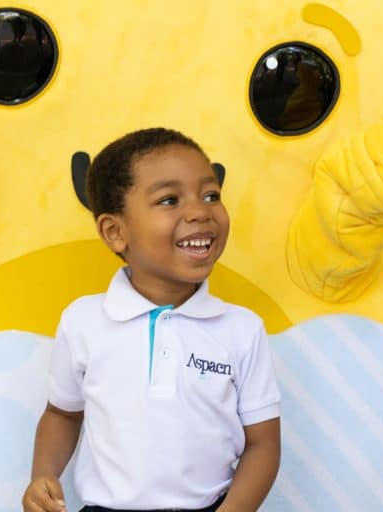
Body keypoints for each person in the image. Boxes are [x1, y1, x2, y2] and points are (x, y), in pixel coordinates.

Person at [22, 128, 281, 512]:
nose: (200, 211)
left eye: (211, 195)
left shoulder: (242, 330)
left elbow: (263, 443)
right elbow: (63, 413)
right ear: (115, 231)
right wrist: (43, 474)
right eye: (169, 200)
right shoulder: (83, 321)